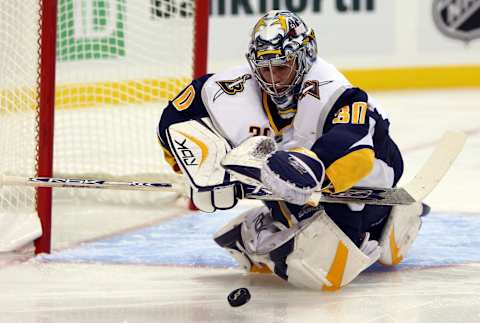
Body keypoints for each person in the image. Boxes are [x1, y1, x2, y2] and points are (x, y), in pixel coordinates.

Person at [157, 10, 426, 290]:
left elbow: (353, 148)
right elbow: (174, 120)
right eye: (265, 69)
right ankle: (282, 224)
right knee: (317, 249)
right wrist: (203, 171)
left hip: (372, 165)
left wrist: (309, 168)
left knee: (333, 253)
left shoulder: (335, 90)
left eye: (282, 67)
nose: (273, 79)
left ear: (305, 56)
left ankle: (382, 219)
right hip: (298, 172)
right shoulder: (227, 90)